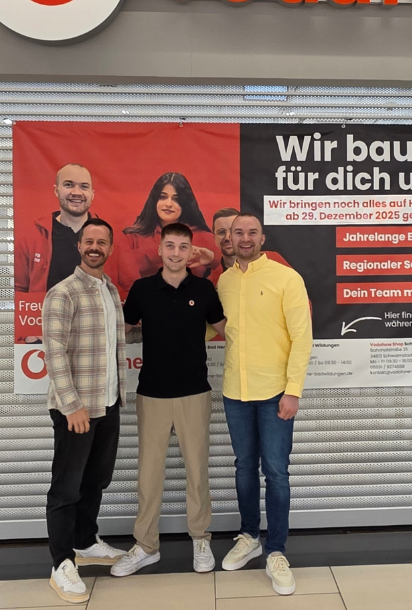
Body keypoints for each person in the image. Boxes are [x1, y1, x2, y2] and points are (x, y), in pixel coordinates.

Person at [110, 223, 228, 577]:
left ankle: (200, 539)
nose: (176, 253)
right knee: (148, 475)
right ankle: (146, 546)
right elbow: (120, 331)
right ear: (160, 249)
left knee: (197, 471)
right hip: (152, 394)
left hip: (195, 392)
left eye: (183, 247)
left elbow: (228, 330)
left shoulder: (204, 289)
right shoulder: (143, 289)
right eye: (170, 246)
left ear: (191, 252)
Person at [216, 213, 312, 596]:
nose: (244, 238)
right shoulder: (224, 281)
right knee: (243, 467)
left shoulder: (286, 278)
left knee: (275, 471)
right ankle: (249, 536)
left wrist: (293, 390)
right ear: (229, 237)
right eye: (237, 232)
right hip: (235, 392)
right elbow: (219, 328)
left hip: (275, 393)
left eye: (251, 232)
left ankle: (276, 551)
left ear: (262, 238)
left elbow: (302, 338)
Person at [42, 218, 127, 604]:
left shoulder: (110, 290)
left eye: (102, 242)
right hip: (76, 409)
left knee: (96, 480)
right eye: (89, 241)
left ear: (110, 248)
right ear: (79, 246)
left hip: (107, 404)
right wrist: (72, 405)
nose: (95, 247)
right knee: (66, 488)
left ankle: (85, 542)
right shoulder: (63, 292)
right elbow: (54, 352)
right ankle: (61, 563)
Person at [15, 163, 116, 294]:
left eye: (84, 187)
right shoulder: (33, 236)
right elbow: (18, 290)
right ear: (56, 191)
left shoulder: (109, 236)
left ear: (92, 194)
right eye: (68, 185)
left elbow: (123, 288)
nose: (76, 192)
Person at [117, 172, 220, 297]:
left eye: (176, 199)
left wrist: (213, 261)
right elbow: (130, 285)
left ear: (185, 203)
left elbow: (226, 278)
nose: (168, 204)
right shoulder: (131, 238)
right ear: (154, 200)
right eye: (163, 197)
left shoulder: (206, 238)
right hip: (146, 304)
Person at [208, 207, 290, 285]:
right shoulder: (214, 281)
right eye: (221, 232)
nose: (227, 237)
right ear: (214, 238)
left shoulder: (274, 259)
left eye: (234, 231)